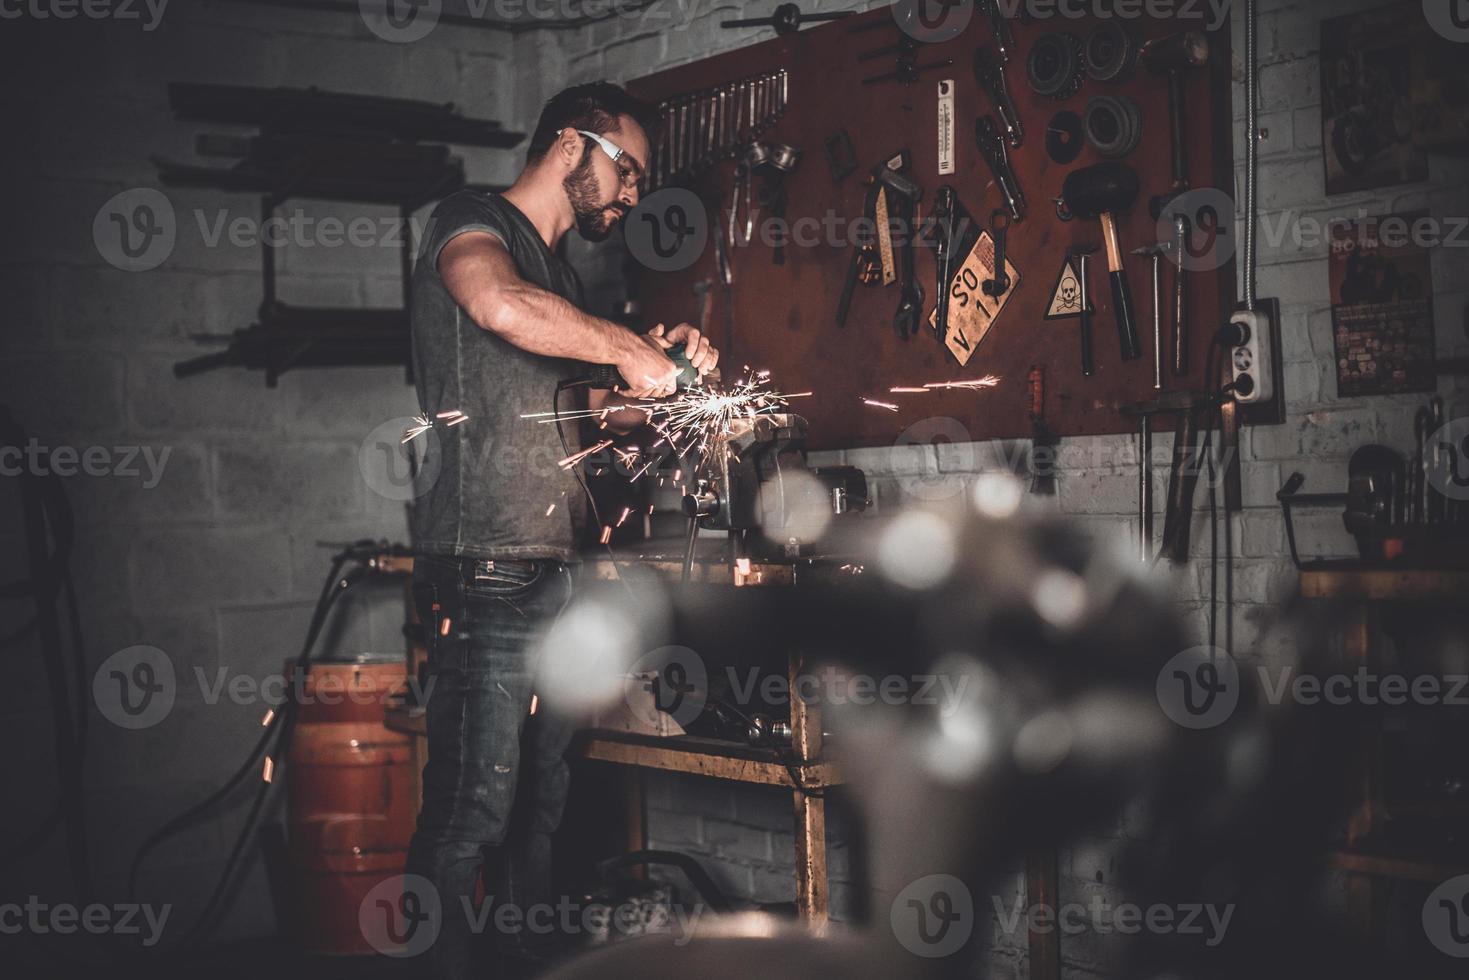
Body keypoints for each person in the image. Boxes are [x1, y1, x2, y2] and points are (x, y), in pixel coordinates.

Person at [404, 81, 719, 979]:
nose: (629, 197)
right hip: (486, 564)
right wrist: (622, 345)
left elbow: (590, 418)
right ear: (571, 144)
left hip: (555, 565)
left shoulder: (566, 279)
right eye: (628, 171)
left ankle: (517, 960)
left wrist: (661, 372)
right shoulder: (472, 224)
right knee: (472, 812)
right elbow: (495, 305)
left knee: (540, 803)